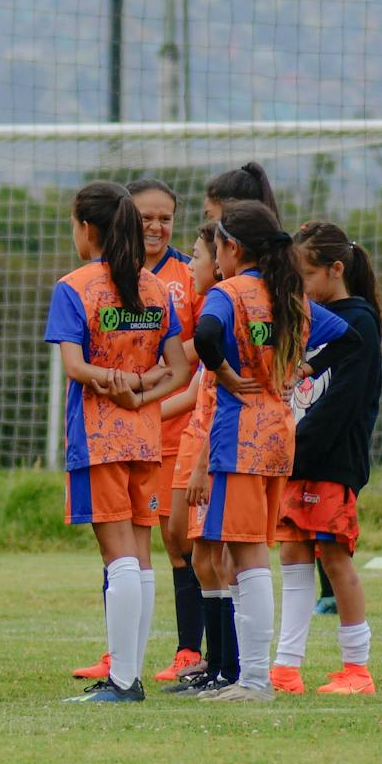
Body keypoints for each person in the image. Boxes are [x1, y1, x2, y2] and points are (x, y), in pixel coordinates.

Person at [192, 200, 361, 702]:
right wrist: (299, 369)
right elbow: (351, 340)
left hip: (238, 436)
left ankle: (255, 680)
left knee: (246, 560)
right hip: (279, 437)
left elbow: (205, 335)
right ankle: (252, 677)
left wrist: (224, 372)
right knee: (251, 554)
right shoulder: (288, 296)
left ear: (232, 247)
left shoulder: (230, 292)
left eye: (218, 245)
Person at [47, 181, 190, 704]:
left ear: (87, 229)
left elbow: (75, 366)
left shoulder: (75, 286)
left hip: (99, 436)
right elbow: (177, 370)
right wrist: (142, 392)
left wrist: (114, 385)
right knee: (141, 553)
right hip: (148, 437)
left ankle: (125, 681)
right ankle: (128, 673)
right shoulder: (154, 287)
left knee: (118, 557)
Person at [271, 222, 382, 695]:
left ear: (336, 270)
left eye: (306, 276)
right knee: (293, 556)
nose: (301, 288)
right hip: (297, 460)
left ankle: (357, 670)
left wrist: (294, 448)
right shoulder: (311, 319)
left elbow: (343, 403)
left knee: (334, 559)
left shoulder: (358, 320)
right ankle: (286, 667)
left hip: (332, 461)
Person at [164, 221, 237, 697]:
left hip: (212, 447)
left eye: (195, 255)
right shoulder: (215, 307)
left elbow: (222, 398)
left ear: (221, 259)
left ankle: (231, 666)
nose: (189, 264)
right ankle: (217, 664)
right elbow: (195, 388)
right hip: (196, 441)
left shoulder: (226, 309)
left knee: (220, 556)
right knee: (198, 552)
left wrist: (201, 462)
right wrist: (139, 414)